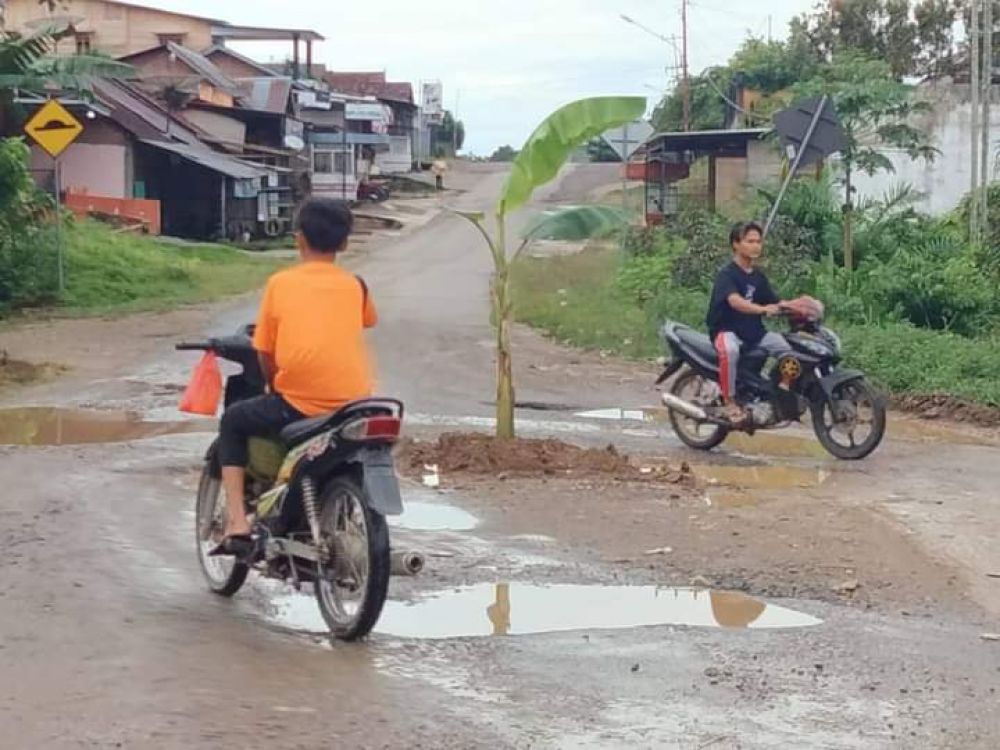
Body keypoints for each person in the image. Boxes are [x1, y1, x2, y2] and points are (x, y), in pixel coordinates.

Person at [211, 198, 378, 556]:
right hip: (356, 405)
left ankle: (238, 522)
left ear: (298, 239)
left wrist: (272, 383)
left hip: (301, 404)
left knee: (234, 420)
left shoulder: (280, 284)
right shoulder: (356, 286)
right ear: (345, 243)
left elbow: (265, 352)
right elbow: (363, 320)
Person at [706, 221, 791, 424]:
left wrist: (798, 307)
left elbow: (775, 301)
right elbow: (735, 302)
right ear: (736, 244)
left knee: (786, 348)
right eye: (750, 241)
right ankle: (729, 401)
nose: (756, 246)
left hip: (753, 332)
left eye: (759, 241)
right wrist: (762, 309)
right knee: (731, 352)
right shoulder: (727, 274)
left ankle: (779, 391)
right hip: (726, 330)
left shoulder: (758, 277)